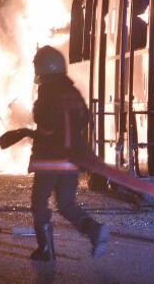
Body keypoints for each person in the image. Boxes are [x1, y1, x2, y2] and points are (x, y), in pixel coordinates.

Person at [27, 45, 109, 261]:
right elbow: (84, 118)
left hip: (49, 159)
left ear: (43, 69)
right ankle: (94, 230)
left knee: (39, 202)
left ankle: (46, 249)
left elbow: (44, 121)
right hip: (72, 158)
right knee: (66, 204)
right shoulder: (72, 91)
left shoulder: (47, 92)